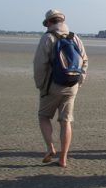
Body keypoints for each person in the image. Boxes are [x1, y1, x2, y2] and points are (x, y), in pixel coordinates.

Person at [33, 9, 88, 168]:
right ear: (62, 21)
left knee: (43, 116)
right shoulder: (74, 37)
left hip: (52, 86)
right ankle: (63, 158)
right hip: (71, 86)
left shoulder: (47, 38)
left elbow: (39, 65)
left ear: (49, 22)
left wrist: (41, 85)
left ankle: (50, 148)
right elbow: (84, 60)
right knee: (66, 121)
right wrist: (79, 81)